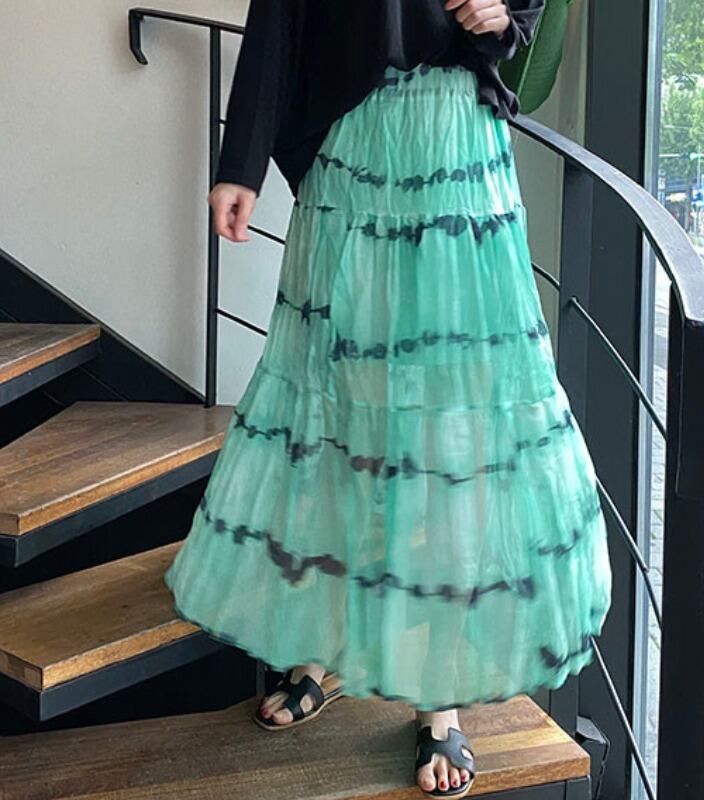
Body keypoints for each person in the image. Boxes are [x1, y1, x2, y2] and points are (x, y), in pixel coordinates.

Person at [163, 2, 613, 798]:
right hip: (353, 147)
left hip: (456, 144)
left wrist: (503, 11)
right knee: (335, 405)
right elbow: (280, 17)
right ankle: (323, 643)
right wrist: (241, 163)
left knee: (450, 425)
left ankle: (439, 699)